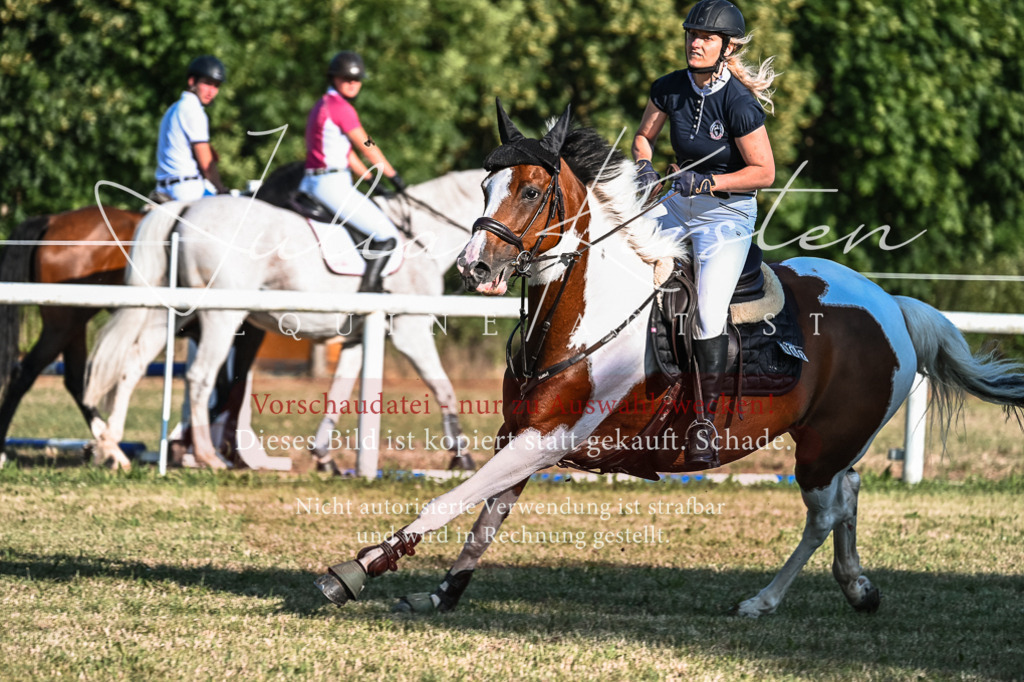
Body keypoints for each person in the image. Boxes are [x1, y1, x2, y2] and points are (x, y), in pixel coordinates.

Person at [632, 0, 777, 469]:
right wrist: (642, 166)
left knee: (709, 315)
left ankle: (703, 422)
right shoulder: (669, 87)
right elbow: (644, 137)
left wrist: (710, 182)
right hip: (677, 203)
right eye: (692, 34)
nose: (695, 43)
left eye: (707, 37)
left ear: (726, 47)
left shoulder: (738, 102)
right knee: (621, 260)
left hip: (726, 215)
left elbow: (765, 172)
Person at [300, 50, 406, 292]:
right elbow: (367, 145)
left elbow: (346, 154)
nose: (352, 83)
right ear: (333, 78)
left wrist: (370, 179)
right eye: (346, 78)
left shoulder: (322, 104)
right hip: (332, 185)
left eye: (356, 79)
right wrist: (392, 175)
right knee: (386, 236)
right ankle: (369, 293)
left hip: (313, 182)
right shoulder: (341, 107)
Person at [155, 55, 229, 200]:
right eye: (207, 83)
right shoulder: (193, 109)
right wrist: (220, 189)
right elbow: (206, 163)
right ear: (192, 81)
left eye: (216, 86)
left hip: (163, 188)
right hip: (187, 190)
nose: (211, 92)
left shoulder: (173, 108)